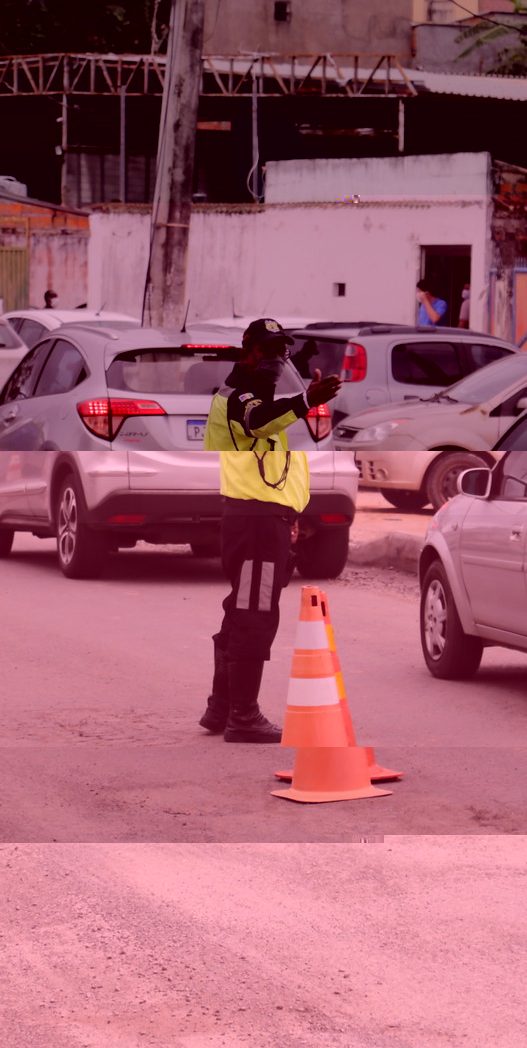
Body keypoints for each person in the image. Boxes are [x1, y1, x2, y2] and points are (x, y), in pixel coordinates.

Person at [199, 318, 343, 743]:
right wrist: (304, 401)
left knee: (240, 611)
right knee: (254, 617)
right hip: (256, 524)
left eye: (282, 351)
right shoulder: (239, 396)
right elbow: (258, 422)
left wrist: (292, 514)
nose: (276, 359)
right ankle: (242, 716)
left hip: (266, 520)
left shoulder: (258, 390)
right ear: (248, 351)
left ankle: (221, 709)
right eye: (269, 351)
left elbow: (275, 458)